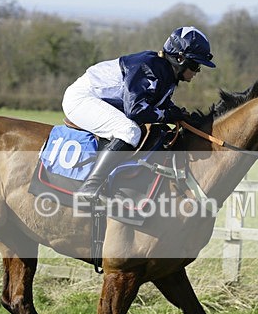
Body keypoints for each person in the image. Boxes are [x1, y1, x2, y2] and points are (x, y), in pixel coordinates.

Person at [63, 26, 215, 200]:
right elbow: (136, 111)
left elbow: (159, 106)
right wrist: (170, 115)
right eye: (195, 65)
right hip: (81, 98)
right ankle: (90, 186)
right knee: (129, 130)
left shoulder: (166, 73)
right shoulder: (149, 67)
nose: (198, 71)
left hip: (97, 99)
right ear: (180, 58)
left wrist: (179, 114)